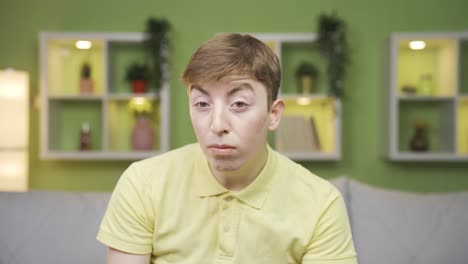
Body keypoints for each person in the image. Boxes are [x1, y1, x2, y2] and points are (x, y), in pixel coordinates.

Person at [97, 33, 357, 264]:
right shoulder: (143, 183)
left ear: (273, 114)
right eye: (202, 104)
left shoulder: (322, 204)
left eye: (239, 104)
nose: (217, 125)